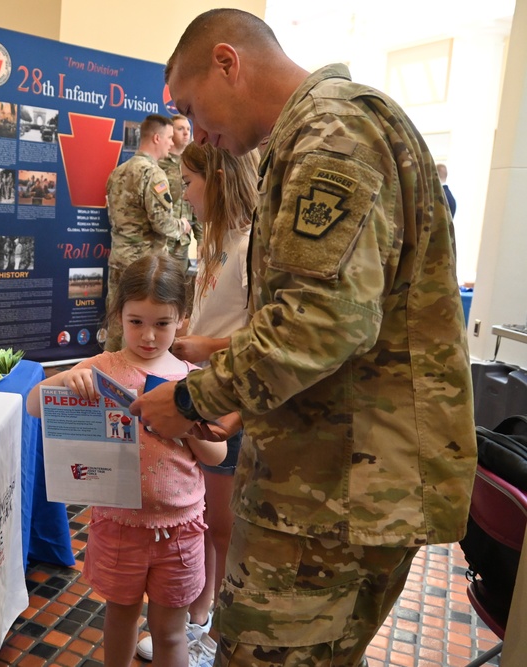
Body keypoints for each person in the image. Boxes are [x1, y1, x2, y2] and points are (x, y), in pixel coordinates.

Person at [131, 9, 477, 667]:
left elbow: (319, 327)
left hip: (337, 493)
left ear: (228, 62)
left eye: (191, 106)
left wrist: (187, 402)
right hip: (330, 475)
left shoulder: (331, 137)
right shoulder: (319, 132)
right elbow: (338, 325)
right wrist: (233, 383)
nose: (195, 132)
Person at [28, 255, 226, 667]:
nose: (149, 336)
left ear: (182, 320)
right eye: (136, 322)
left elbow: (218, 453)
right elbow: (33, 404)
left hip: (181, 529)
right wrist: (66, 379)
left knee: (171, 632)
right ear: (119, 315)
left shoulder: (193, 380)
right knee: (120, 617)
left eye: (162, 324)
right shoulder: (101, 368)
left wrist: (188, 425)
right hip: (119, 525)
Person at [135, 142, 259, 663]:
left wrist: (206, 346)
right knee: (207, 515)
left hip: (229, 397)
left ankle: (217, 635)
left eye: (188, 183)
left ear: (221, 178)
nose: (183, 195)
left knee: (225, 527)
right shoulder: (217, 240)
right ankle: (199, 617)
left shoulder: (255, 243)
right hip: (201, 390)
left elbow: (272, 335)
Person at [105, 114, 190, 352]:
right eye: (168, 138)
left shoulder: (118, 172)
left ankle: (104, 375)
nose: (171, 144)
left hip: (118, 259)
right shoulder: (153, 174)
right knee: (139, 330)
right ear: (156, 138)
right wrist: (182, 226)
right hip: (143, 266)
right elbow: (162, 223)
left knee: (116, 321)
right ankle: (128, 383)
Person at [159, 114, 198, 269]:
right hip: (162, 242)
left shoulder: (191, 164)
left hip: (183, 242)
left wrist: (200, 240)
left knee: (178, 289)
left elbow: (197, 201)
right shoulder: (158, 164)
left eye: (188, 129)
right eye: (180, 129)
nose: (186, 133)